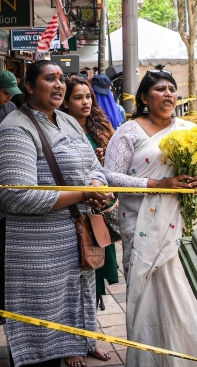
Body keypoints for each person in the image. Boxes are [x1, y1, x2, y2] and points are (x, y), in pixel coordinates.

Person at [0, 60, 113, 367]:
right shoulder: (16, 129)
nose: (59, 84)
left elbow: (95, 167)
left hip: (70, 246)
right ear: (28, 87)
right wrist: (83, 194)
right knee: (37, 336)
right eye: (49, 79)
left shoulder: (68, 121)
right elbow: (16, 196)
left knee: (65, 321)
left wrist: (94, 182)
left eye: (61, 79)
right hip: (31, 252)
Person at [102, 67, 197, 367]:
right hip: (141, 226)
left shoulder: (189, 130)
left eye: (171, 88)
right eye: (159, 89)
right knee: (147, 299)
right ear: (144, 97)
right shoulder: (128, 132)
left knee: (183, 296)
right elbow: (110, 177)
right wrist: (157, 185)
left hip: (180, 227)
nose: (168, 93)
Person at [61, 77, 119, 310]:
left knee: (96, 263)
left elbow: (116, 171)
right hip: (75, 209)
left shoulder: (102, 128)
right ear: (65, 102)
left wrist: (104, 164)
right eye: (78, 97)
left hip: (101, 210)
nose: (85, 102)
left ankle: (91, 323)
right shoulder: (60, 131)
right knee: (81, 263)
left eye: (88, 97)